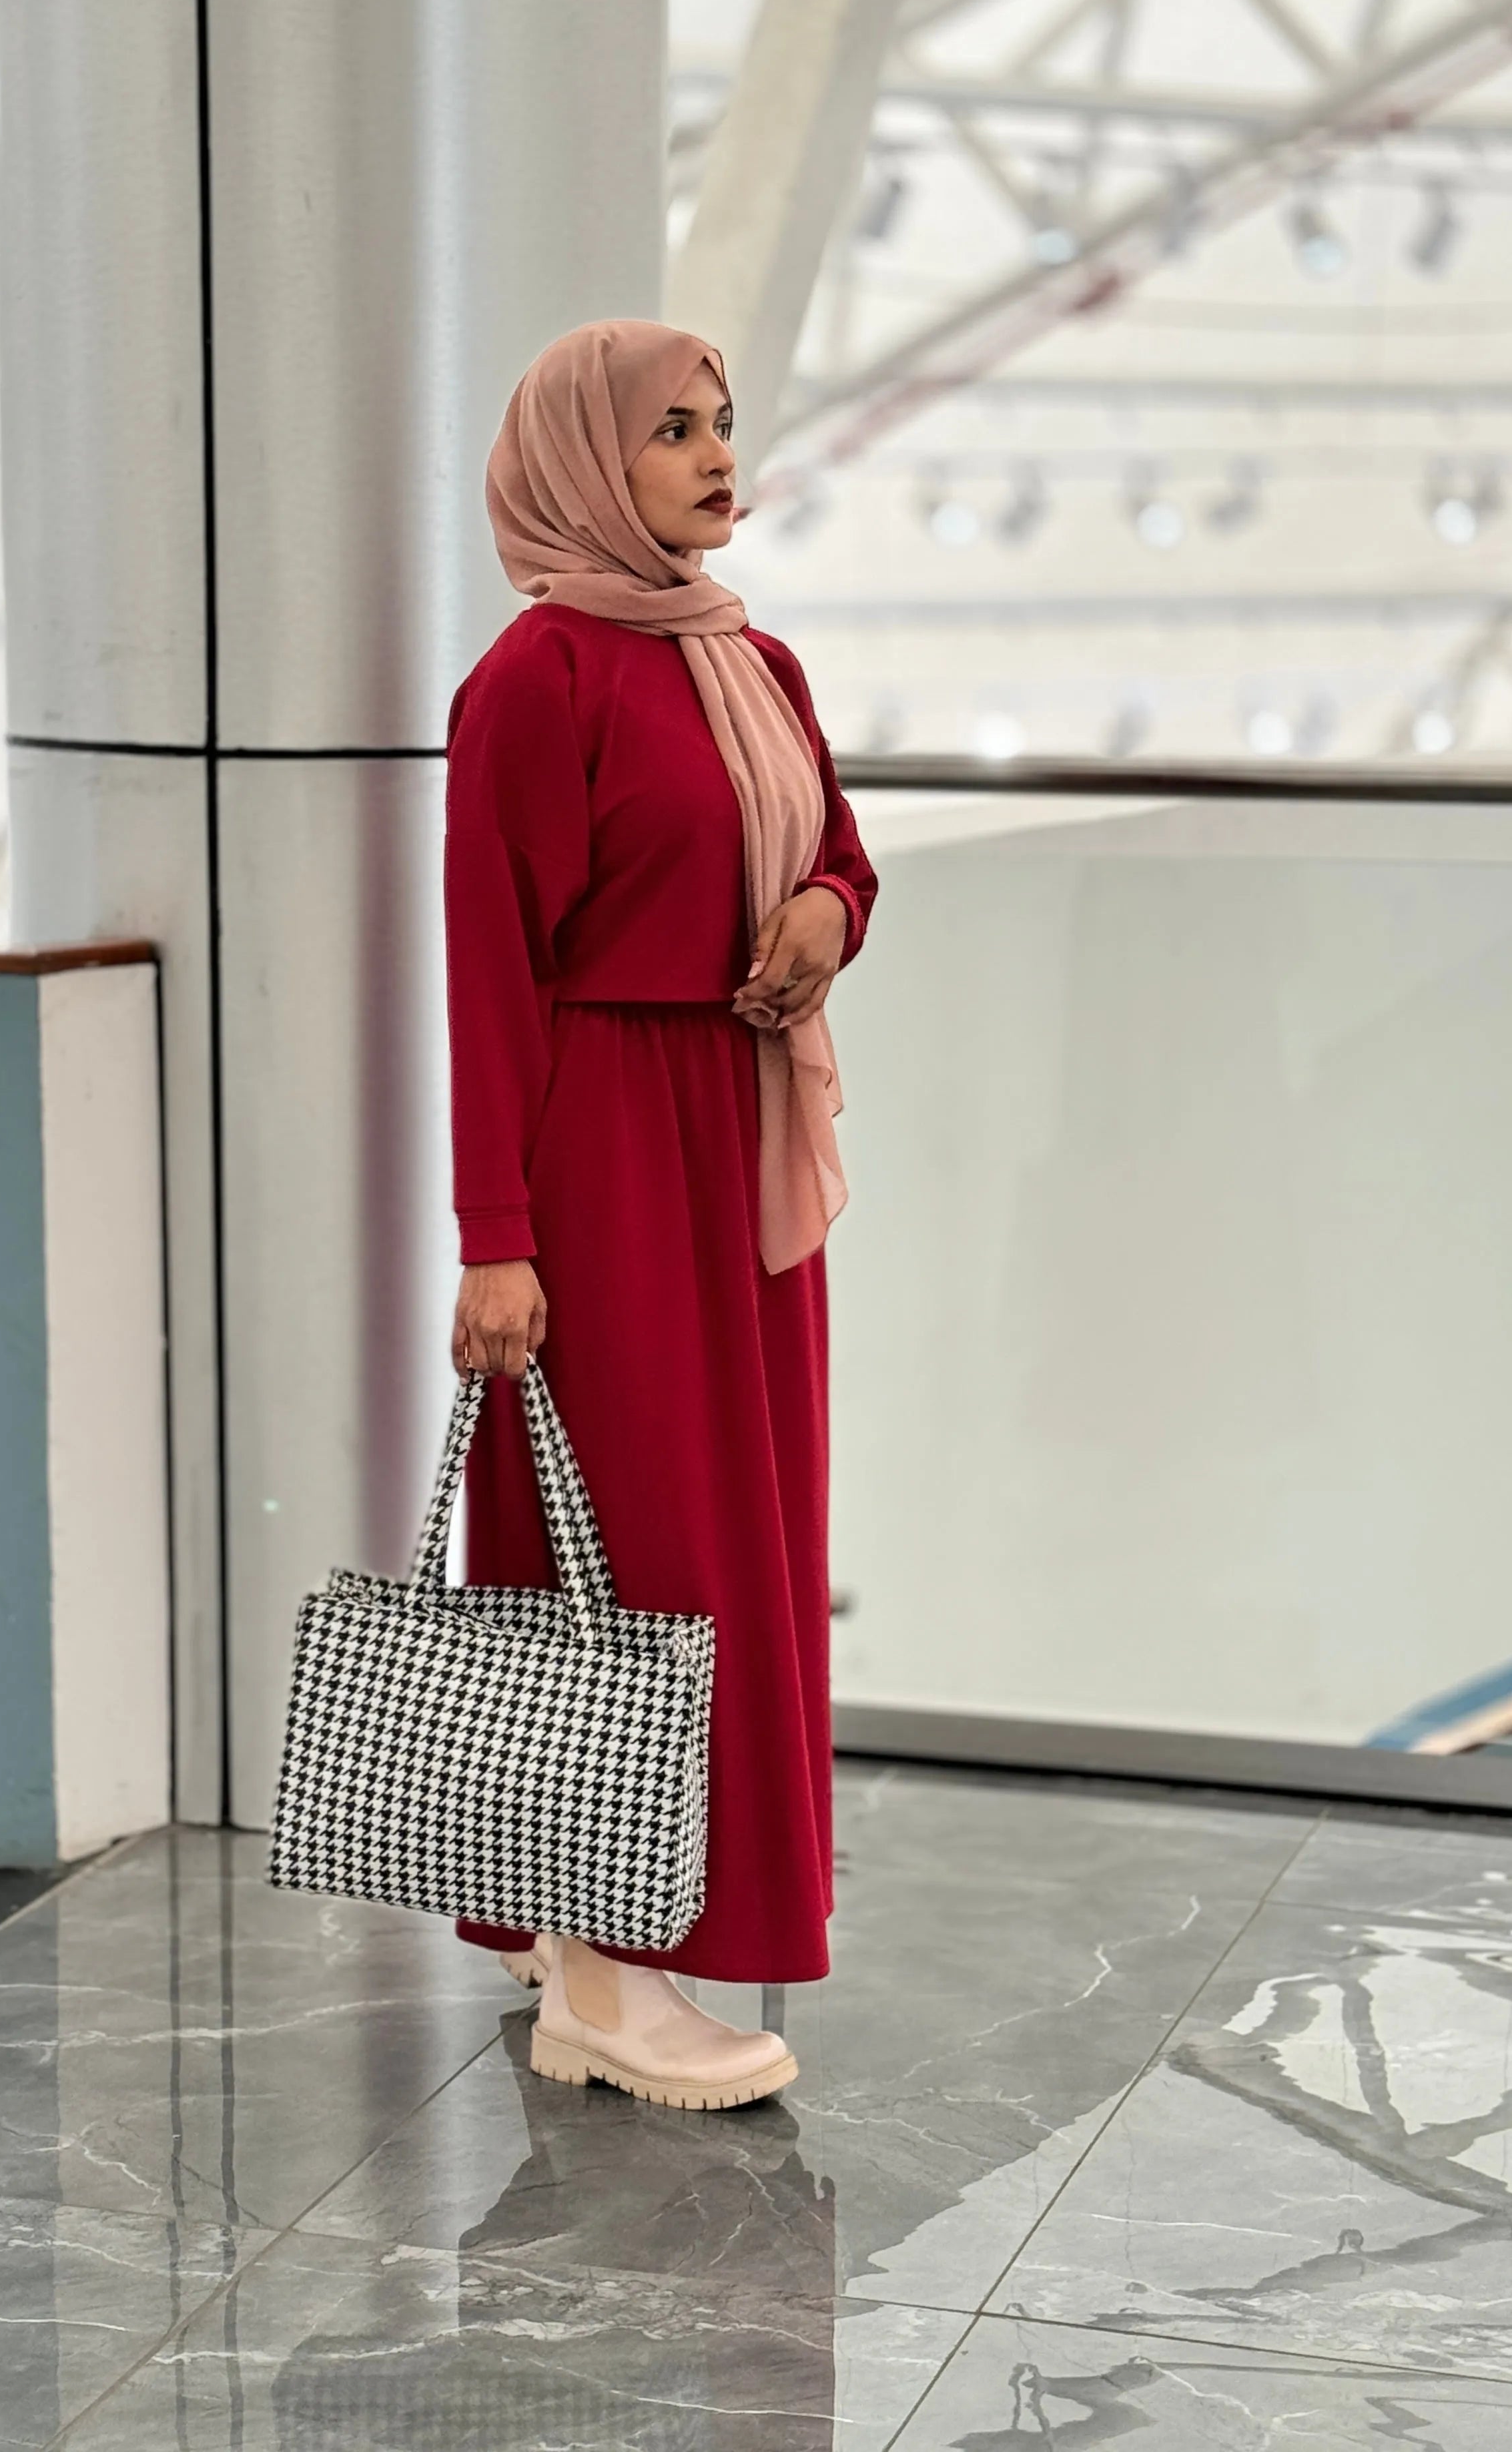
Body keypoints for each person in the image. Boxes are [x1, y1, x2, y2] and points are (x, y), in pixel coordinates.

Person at [444, 318, 877, 2112]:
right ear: (578, 466)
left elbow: (840, 848)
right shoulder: (536, 681)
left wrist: (822, 924)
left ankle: (596, 1938)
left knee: (730, 1545)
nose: (713, 455)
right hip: (609, 1154)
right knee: (635, 1561)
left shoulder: (751, 660)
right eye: (667, 433)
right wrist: (497, 1236)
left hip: (738, 1143)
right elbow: (489, 978)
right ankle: (604, 1984)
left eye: (720, 425)